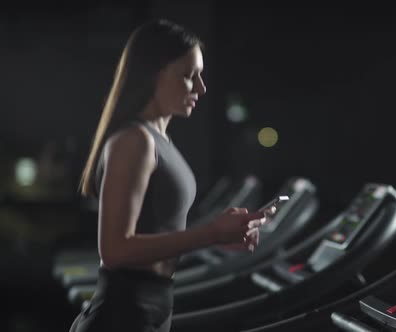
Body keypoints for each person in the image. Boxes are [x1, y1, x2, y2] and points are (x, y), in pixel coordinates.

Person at [69, 18, 268, 332]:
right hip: (122, 315)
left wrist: (220, 236)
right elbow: (115, 250)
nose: (201, 88)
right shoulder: (134, 140)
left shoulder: (159, 139)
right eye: (189, 76)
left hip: (152, 306)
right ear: (154, 75)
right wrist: (212, 233)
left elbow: (160, 235)